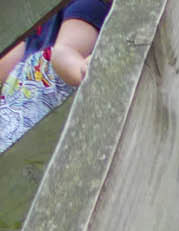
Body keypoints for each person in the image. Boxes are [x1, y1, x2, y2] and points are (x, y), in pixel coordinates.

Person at [0, 1, 111, 154]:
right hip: (13, 124)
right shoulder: (34, 22)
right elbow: (7, 66)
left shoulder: (85, 5)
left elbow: (65, 52)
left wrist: (85, 72)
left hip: (45, 123)